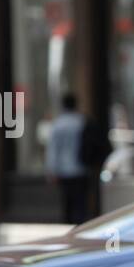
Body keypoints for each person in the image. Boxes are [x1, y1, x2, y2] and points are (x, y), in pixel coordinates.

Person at [46, 93, 90, 224]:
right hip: (81, 168)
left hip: (65, 170)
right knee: (81, 203)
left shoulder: (58, 124)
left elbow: (53, 149)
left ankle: (68, 226)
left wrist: (52, 169)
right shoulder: (81, 122)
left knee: (67, 203)